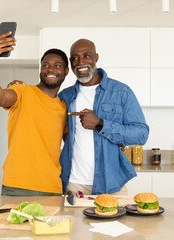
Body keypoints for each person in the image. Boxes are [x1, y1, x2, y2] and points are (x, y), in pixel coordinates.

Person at [0, 31, 69, 196]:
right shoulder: (22, 91)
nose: (50, 69)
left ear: (66, 71)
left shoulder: (64, 107)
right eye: (45, 65)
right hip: (17, 185)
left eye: (57, 66)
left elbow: (74, 144)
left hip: (52, 187)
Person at [58, 39, 149, 195]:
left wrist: (100, 124)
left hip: (111, 185)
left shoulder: (121, 92)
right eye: (75, 58)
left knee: (114, 220)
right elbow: (66, 133)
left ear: (96, 58)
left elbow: (141, 134)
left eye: (86, 56)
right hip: (73, 185)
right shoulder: (65, 96)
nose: (80, 62)